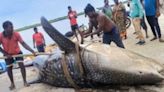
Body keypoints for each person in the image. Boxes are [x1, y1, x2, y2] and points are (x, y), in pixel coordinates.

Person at [0, 21, 35, 90]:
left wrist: (32, 51)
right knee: (9, 68)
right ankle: (12, 83)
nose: (13, 28)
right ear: (5, 28)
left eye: (12, 27)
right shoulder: (1, 36)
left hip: (17, 52)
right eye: (11, 27)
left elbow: (23, 43)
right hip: (8, 54)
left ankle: (25, 81)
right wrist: (6, 53)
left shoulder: (16, 34)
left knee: (21, 65)